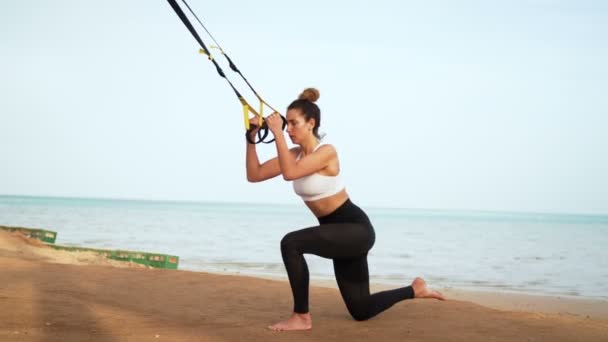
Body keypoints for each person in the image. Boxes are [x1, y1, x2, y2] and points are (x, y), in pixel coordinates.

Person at [245, 88, 445, 331]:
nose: (288, 129)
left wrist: (276, 132)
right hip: (335, 233)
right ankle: (415, 289)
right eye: (286, 124)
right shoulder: (295, 155)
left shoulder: (327, 152)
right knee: (361, 310)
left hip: (354, 228)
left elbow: (290, 174)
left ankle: (301, 317)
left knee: (291, 243)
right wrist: (252, 139)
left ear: (311, 123)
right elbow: (254, 175)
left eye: (293, 124)